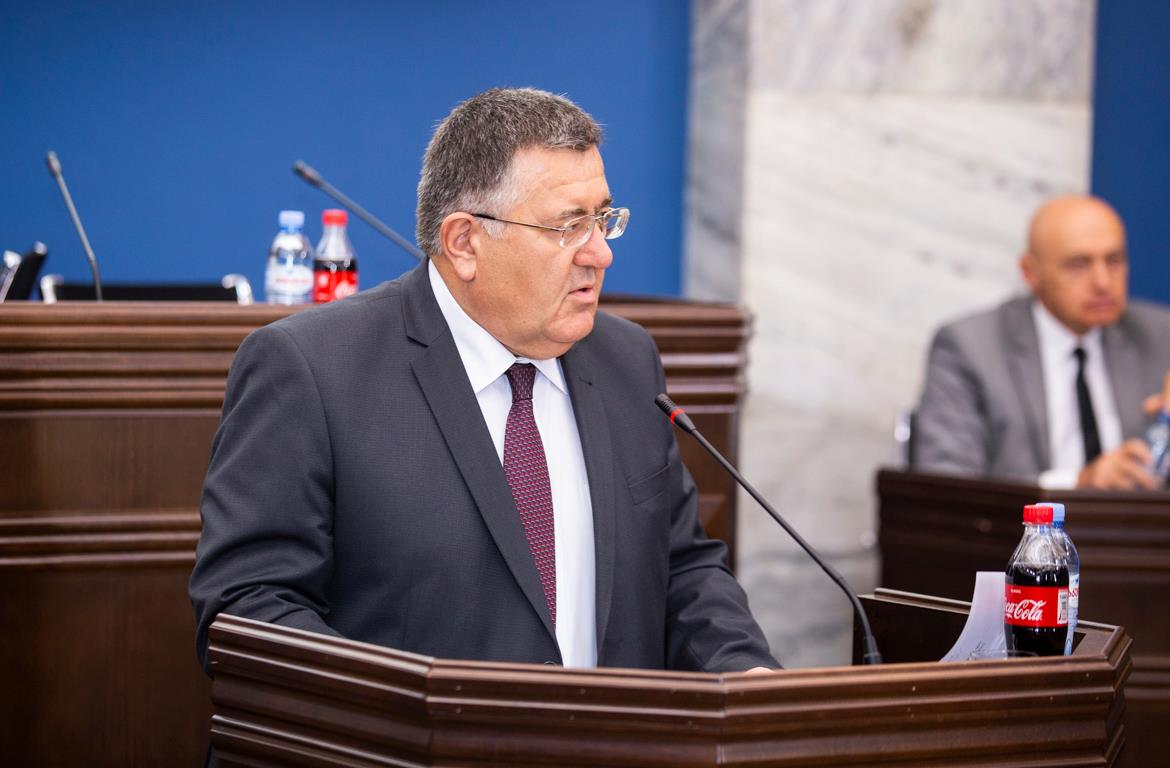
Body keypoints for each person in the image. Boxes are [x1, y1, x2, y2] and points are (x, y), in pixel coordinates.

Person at [189, 88, 776, 675]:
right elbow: (249, 605)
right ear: (465, 243)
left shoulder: (627, 359)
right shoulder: (312, 369)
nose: (600, 254)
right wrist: (401, 707)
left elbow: (681, 567)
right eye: (569, 225)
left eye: (602, 219)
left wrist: (745, 674)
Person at [915, 195, 1170, 489]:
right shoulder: (970, 347)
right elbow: (946, 485)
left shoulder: (1160, 336)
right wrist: (1077, 484)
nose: (1102, 282)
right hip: (1020, 521)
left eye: (1114, 261)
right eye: (1079, 265)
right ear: (1030, 272)